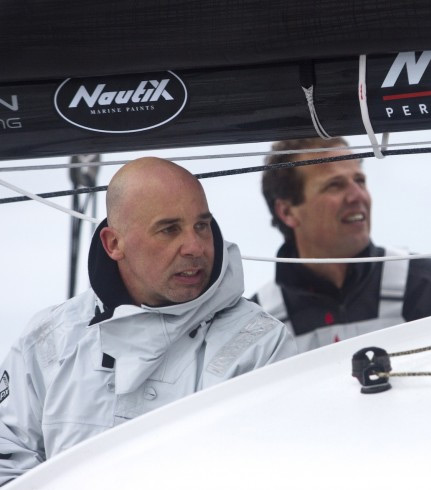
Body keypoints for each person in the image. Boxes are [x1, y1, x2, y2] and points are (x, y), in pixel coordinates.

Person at [0, 157, 296, 483]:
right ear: (114, 244)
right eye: (169, 229)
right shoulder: (48, 340)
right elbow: (7, 462)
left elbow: (271, 472)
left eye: (202, 225)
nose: (195, 247)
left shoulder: (260, 344)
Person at [252, 137, 431, 352]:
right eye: (334, 185)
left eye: (359, 181)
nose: (357, 196)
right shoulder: (257, 328)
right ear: (287, 211)